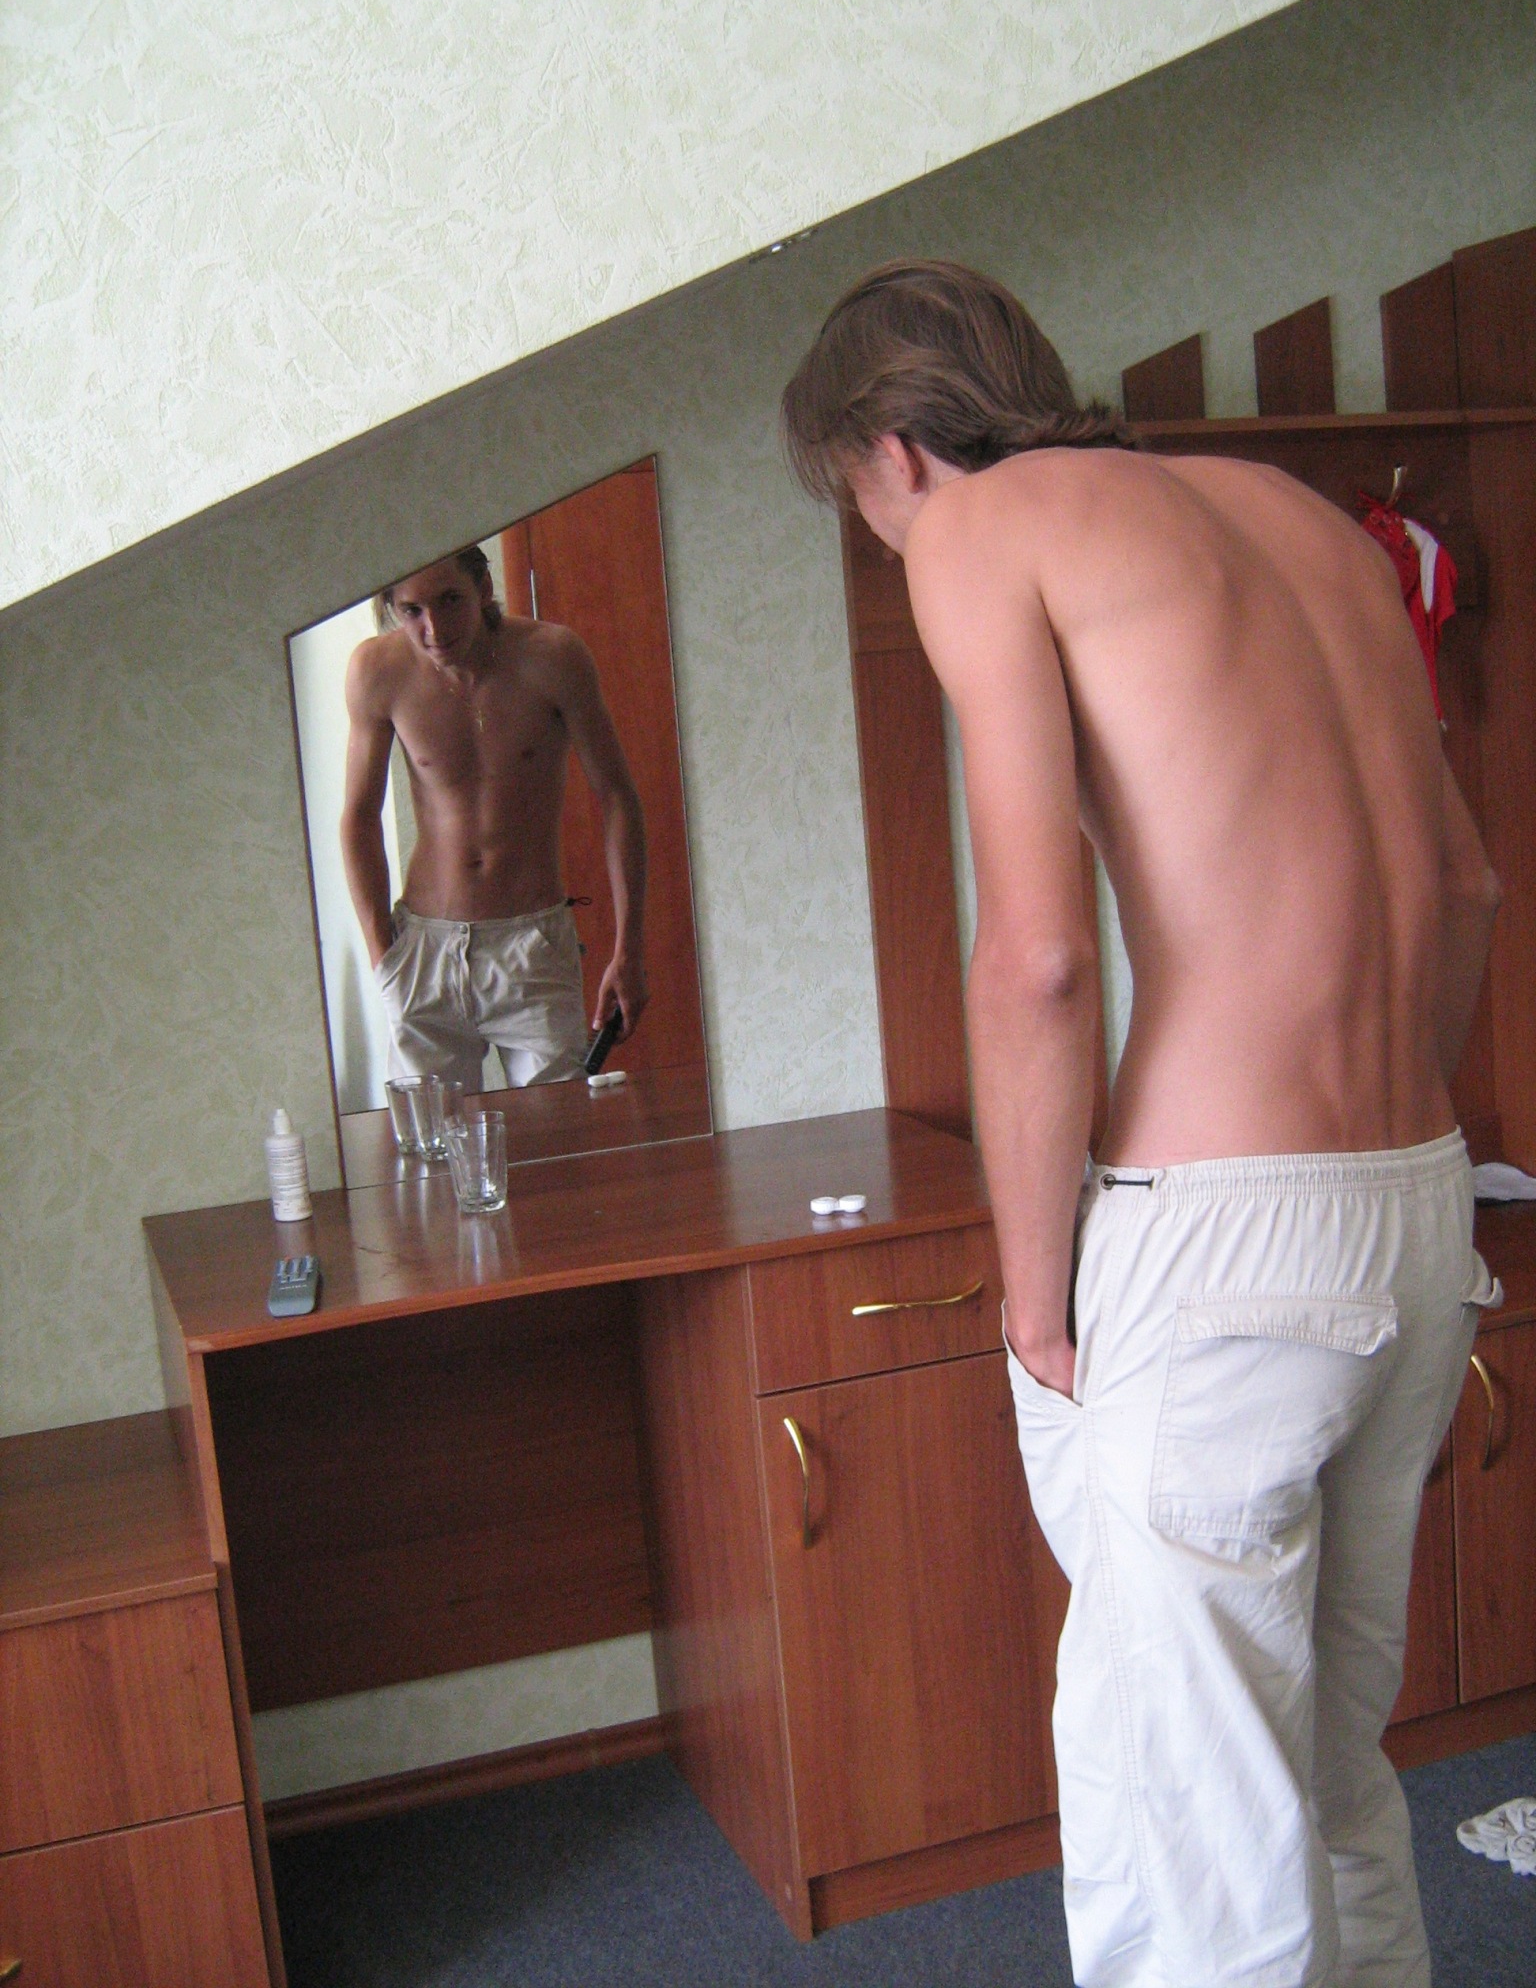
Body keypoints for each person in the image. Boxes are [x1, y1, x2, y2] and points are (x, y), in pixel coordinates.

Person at [781, 261, 1501, 1988]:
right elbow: (1468, 886)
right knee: (1326, 1775)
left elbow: (1037, 958)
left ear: (893, 450)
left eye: (855, 502)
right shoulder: (1298, 518)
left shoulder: (980, 526)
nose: (877, 535)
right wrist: (1378, 1151)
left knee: (1188, 1831)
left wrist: (1034, 1297)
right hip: (1416, 1198)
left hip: (1225, 1238)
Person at [341, 545, 647, 1092]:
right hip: (424, 948)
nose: (434, 628)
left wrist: (629, 949)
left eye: (449, 600)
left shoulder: (553, 657)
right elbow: (360, 816)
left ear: (482, 588)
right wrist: (381, 952)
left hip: (531, 945)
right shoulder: (377, 670)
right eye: (411, 610)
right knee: (432, 1138)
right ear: (391, 608)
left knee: (558, 1131)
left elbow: (617, 797)